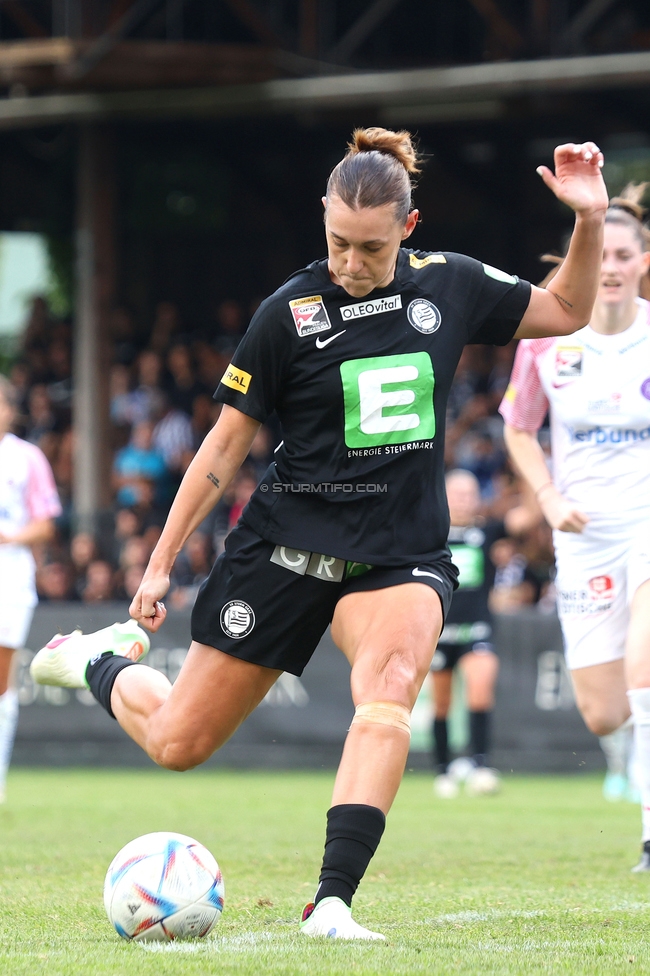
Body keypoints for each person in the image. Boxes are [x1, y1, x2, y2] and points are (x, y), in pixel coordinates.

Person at [31, 128, 607, 938]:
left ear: (407, 230)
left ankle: (331, 901)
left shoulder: (452, 285)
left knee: (392, 683)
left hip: (398, 556)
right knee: (176, 744)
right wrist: (158, 566)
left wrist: (587, 220)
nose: (348, 261)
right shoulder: (286, 315)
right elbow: (223, 447)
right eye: (336, 240)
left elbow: (571, 310)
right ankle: (95, 658)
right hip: (284, 551)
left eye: (369, 247)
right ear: (323, 219)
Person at [499, 184, 650, 868]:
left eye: (625, 253)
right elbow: (520, 428)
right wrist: (549, 498)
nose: (612, 265)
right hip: (583, 534)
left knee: (645, 675)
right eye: (602, 253)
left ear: (644, 260)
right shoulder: (549, 341)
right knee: (605, 713)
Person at [430, 469, 537, 798]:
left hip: (477, 628)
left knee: (480, 690)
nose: (463, 499)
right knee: (442, 704)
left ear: (478, 498)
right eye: (456, 493)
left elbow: (528, 517)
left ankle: (480, 765)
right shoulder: (430, 533)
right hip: (438, 632)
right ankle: (443, 770)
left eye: (468, 493)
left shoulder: (488, 532)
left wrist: (530, 476)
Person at [0, 376, 61, 801]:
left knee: (1, 681)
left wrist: (9, 537)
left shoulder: (27, 458)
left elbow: (46, 522)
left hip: (10, 574)